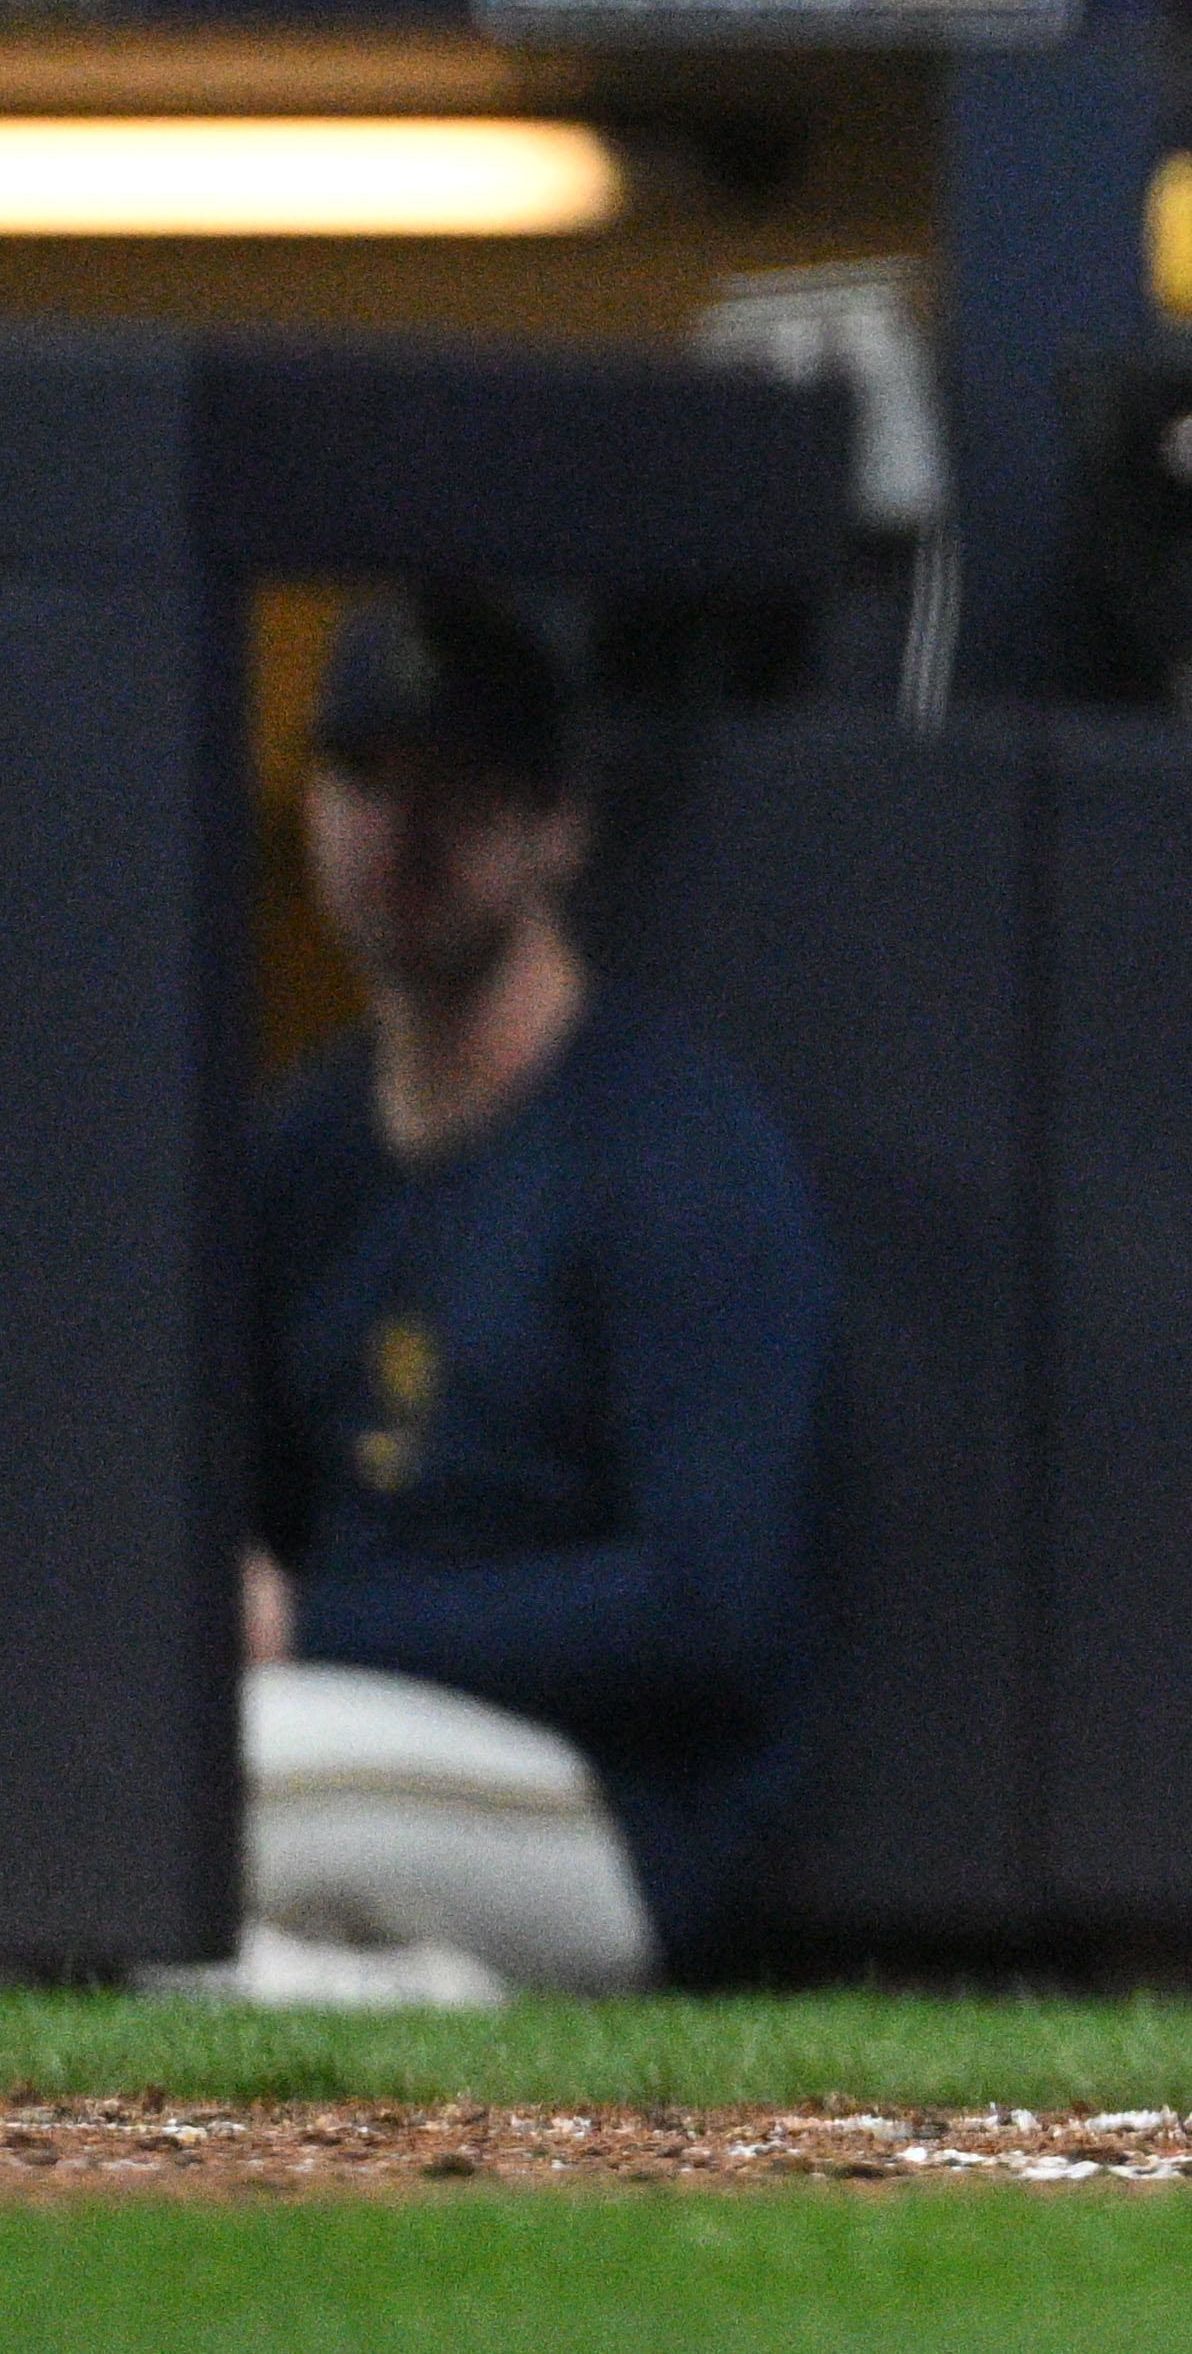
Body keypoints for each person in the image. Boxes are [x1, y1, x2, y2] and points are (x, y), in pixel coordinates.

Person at [236, 588, 827, 1998]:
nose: (404, 827)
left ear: (555, 822)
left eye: (460, 786)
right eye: (364, 777)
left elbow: (712, 1607)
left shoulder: (674, 1149)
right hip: (353, 1748)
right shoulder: (303, 1151)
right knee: (140, 1853)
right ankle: (407, 2006)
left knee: (184, 1790)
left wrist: (308, 1631)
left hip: (612, 1808)